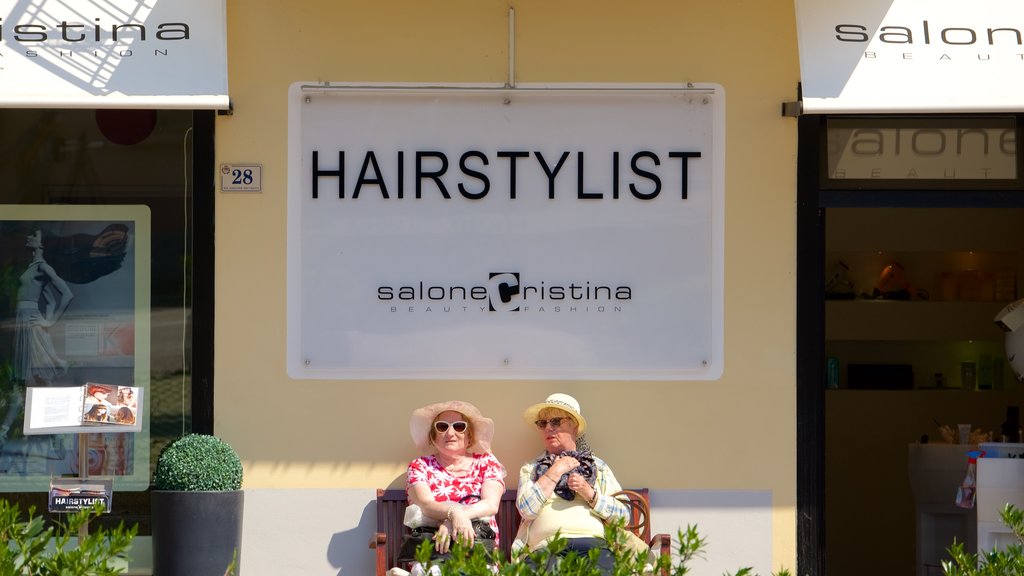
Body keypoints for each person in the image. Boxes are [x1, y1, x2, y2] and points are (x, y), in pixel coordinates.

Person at [513, 393, 629, 573]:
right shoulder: (531, 468)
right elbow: (526, 510)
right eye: (543, 423)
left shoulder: (598, 466)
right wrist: (555, 471)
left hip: (593, 546)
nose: (548, 428)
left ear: (575, 426)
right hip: (547, 548)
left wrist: (588, 492)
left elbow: (624, 516)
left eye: (556, 422)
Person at [403, 400, 505, 570]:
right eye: (442, 427)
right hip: (434, 551)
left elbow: (490, 504)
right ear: (433, 436)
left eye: (459, 426)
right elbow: (426, 504)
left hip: (478, 551)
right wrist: (454, 513)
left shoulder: (487, 463)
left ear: (469, 436)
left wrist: (453, 521)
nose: (450, 432)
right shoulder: (420, 466)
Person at [0, 228, 74, 449]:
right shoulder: (33, 267)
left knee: (39, 383)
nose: (29, 237)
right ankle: (5, 433)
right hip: (25, 324)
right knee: (24, 384)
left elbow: (67, 294)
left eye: (34, 235)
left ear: (42, 243)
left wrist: (48, 323)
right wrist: (47, 318)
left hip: (30, 326)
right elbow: (50, 299)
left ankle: (55, 435)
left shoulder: (42, 267)